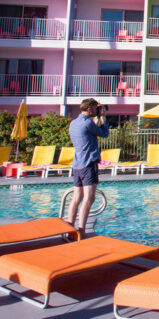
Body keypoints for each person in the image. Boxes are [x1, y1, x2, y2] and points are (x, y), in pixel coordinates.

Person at [67, 98, 109, 236]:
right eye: (96, 108)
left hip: (77, 164)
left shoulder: (73, 123)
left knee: (76, 197)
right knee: (89, 198)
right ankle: (82, 230)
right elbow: (104, 133)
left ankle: (70, 227)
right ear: (90, 108)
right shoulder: (87, 123)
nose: (97, 110)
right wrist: (103, 118)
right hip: (88, 163)